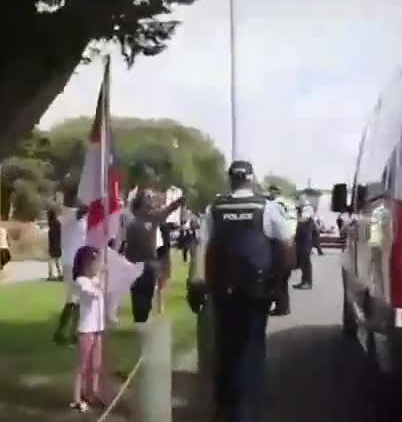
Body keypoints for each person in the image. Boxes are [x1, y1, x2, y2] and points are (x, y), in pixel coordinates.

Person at [186, 160, 293, 422]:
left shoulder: (215, 209)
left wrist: (197, 283)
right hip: (256, 290)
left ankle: (225, 407)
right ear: (252, 179)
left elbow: (201, 246)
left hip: (223, 289)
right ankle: (247, 409)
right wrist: (280, 287)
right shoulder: (267, 207)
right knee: (252, 347)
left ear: (230, 180)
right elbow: (287, 248)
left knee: (226, 345)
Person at [122, 187, 185, 323]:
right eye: (147, 196)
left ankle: (142, 321)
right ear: (140, 199)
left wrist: (178, 202)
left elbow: (168, 210)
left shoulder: (154, 215)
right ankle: (140, 321)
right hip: (133, 263)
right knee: (137, 298)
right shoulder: (131, 215)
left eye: (151, 196)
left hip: (150, 263)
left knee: (147, 298)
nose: (150, 198)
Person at [70, 245, 107, 413]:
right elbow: (93, 293)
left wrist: (103, 277)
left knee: (96, 364)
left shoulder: (96, 280)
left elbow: (103, 291)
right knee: (83, 365)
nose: (98, 265)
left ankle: (93, 392)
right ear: (87, 263)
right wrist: (102, 281)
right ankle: (77, 398)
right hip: (86, 329)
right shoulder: (81, 281)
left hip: (98, 328)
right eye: (96, 262)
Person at [53, 203, 89, 346]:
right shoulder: (71, 214)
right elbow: (81, 211)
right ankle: (65, 334)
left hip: (79, 262)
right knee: (74, 299)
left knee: (77, 299)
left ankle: (69, 334)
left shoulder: (82, 219)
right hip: (71, 262)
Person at [265, 186, 291, 317]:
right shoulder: (279, 205)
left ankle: (281, 307)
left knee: (278, 280)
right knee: (281, 280)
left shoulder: (276, 205)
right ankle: (283, 307)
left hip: (278, 244)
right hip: (284, 242)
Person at [293, 206, 315, 290]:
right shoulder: (304, 221)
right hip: (302, 244)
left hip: (305, 245)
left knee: (306, 264)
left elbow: (301, 231)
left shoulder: (307, 221)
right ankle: (303, 281)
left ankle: (307, 282)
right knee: (303, 264)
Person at [47, 207, 63, 281]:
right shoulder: (58, 223)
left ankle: (51, 275)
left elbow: (52, 235)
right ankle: (60, 274)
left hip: (54, 244)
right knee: (57, 260)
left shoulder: (52, 224)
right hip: (58, 244)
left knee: (52, 260)